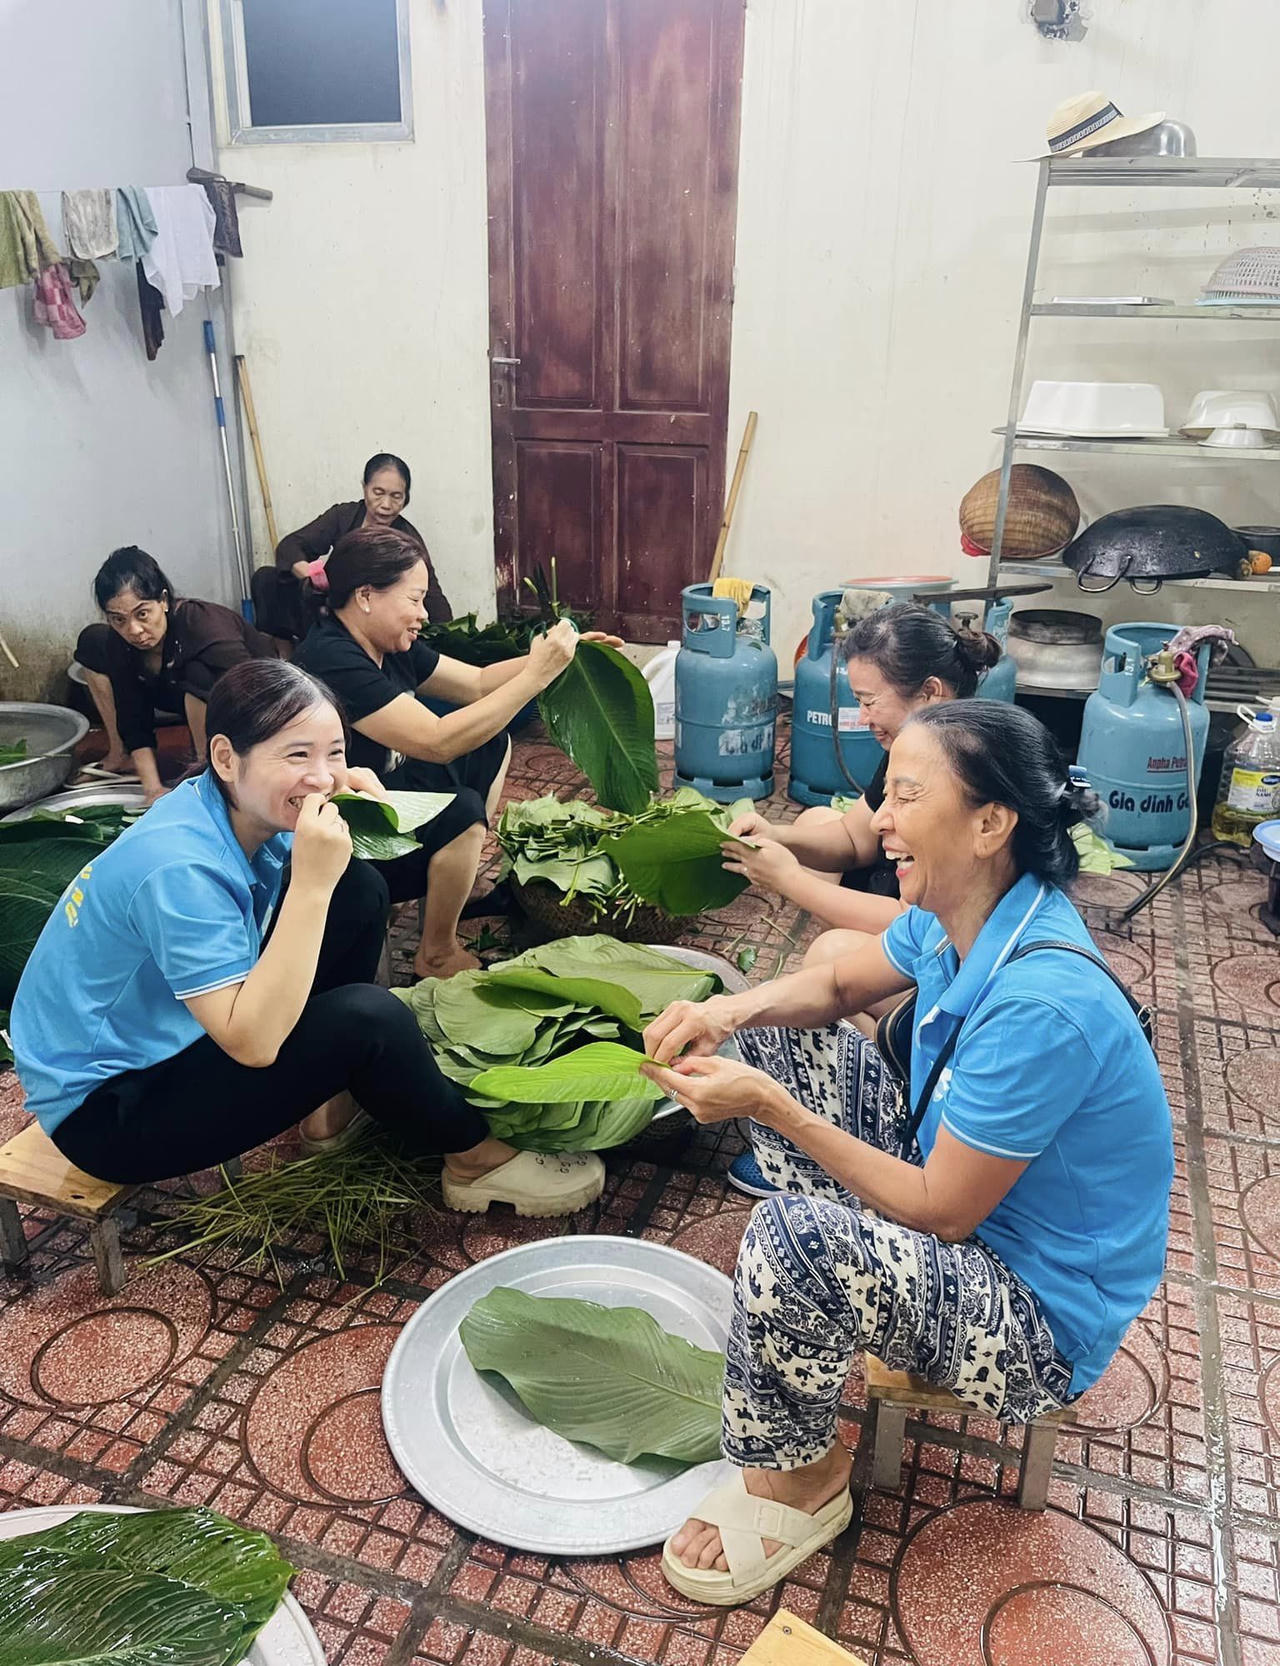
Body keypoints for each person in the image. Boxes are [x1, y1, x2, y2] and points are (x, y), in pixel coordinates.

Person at [640, 701, 1171, 1606]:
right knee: (771, 1034)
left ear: (990, 822)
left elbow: (942, 1212)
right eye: (886, 795)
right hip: (960, 1197)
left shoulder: (1042, 1004)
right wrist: (726, 1011)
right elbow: (843, 979)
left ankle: (804, 1482)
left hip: (1035, 1310)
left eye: (907, 795)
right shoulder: (961, 907)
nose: (882, 820)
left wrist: (770, 1110)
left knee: (790, 1241)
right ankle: (851, 1289)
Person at [10, 659, 604, 1213]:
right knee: (368, 1018)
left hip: (171, 1040)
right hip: (109, 1113)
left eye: (334, 753)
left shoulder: (228, 805)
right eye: (297, 755)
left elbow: (338, 876)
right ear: (225, 756)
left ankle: (327, 1111)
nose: (320, 777)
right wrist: (312, 886)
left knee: (360, 888)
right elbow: (253, 1044)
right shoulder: (179, 868)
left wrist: (367, 813)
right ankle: (474, 1162)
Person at [721, 602, 1001, 1195]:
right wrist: (778, 837)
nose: (861, 714)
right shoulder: (917, 747)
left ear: (929, 691)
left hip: (956, 950)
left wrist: (787, 879)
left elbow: (921, 922)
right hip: (926, 927)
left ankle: (888, 1092)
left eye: (870, 701)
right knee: (821, 821)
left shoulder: (969, 768)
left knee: (829, 961)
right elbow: (854, 837)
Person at [294, 525, 622, 979]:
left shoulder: (385, 644)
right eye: (414, 600)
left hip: (379, 796)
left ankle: (449, 884)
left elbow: (478, 683)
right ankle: (436, 952)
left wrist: (557, 657)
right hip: (338, 837)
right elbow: (436, 739)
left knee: (488, 744)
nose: (423, 614)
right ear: (366, 596)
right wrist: (536, 677)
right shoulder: (333, 658)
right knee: (463, 811)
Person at [74, 546, 279, 805]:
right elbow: (132, 711)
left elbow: (251, 690)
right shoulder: (122, 640)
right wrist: (152, 790)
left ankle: (208, 775)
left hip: (252, 696)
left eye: (142, 614)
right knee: (94, 641)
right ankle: (120, 754)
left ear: (163, 600)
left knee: (198, 675)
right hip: (173, 689)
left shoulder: (204, 627)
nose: (134, 629)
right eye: (118, 619)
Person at [251, 452, 452, 642]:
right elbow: (291, 545)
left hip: (368, 619)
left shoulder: (407, 538)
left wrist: (450, 638)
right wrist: (309, 574)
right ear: (365, 488)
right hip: (328, 605)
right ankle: (284, 654)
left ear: (406, 498)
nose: (386, 504)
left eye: (396, 496)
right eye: (378, 493)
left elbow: (431, 594)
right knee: (267, 579)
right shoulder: (344, 516)